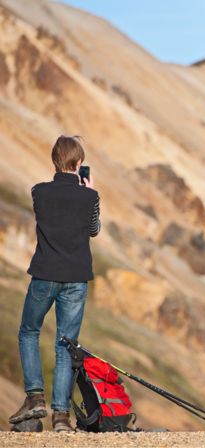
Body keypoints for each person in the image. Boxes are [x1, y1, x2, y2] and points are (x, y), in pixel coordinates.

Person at [8, 135, 101, 432]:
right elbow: (93, 230)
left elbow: (51, 220)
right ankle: (61, 417)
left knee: (28, 332)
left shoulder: (39, 192)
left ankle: (35, 397)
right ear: (79, 164)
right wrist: (89, 192)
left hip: (45, 275)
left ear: (54, 161)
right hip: (76, 278)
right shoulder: (90, 196)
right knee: (65, 345)